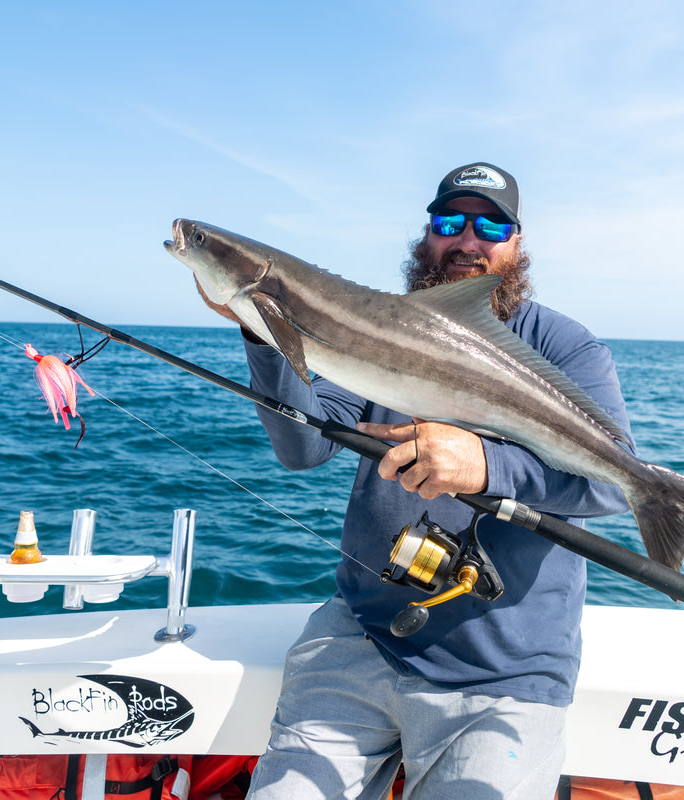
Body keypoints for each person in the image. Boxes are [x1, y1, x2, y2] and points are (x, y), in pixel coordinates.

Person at [196, 162, 633, 799]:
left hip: (503, 667)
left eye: (491, 225)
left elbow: (615, 487)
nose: (467, 240)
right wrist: (262, 328)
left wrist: (488, 465)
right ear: (425, 236)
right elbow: (303, 446)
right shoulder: (374, 328)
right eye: (449, 222)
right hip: (362, 632)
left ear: (517, 244)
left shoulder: (565, 347)